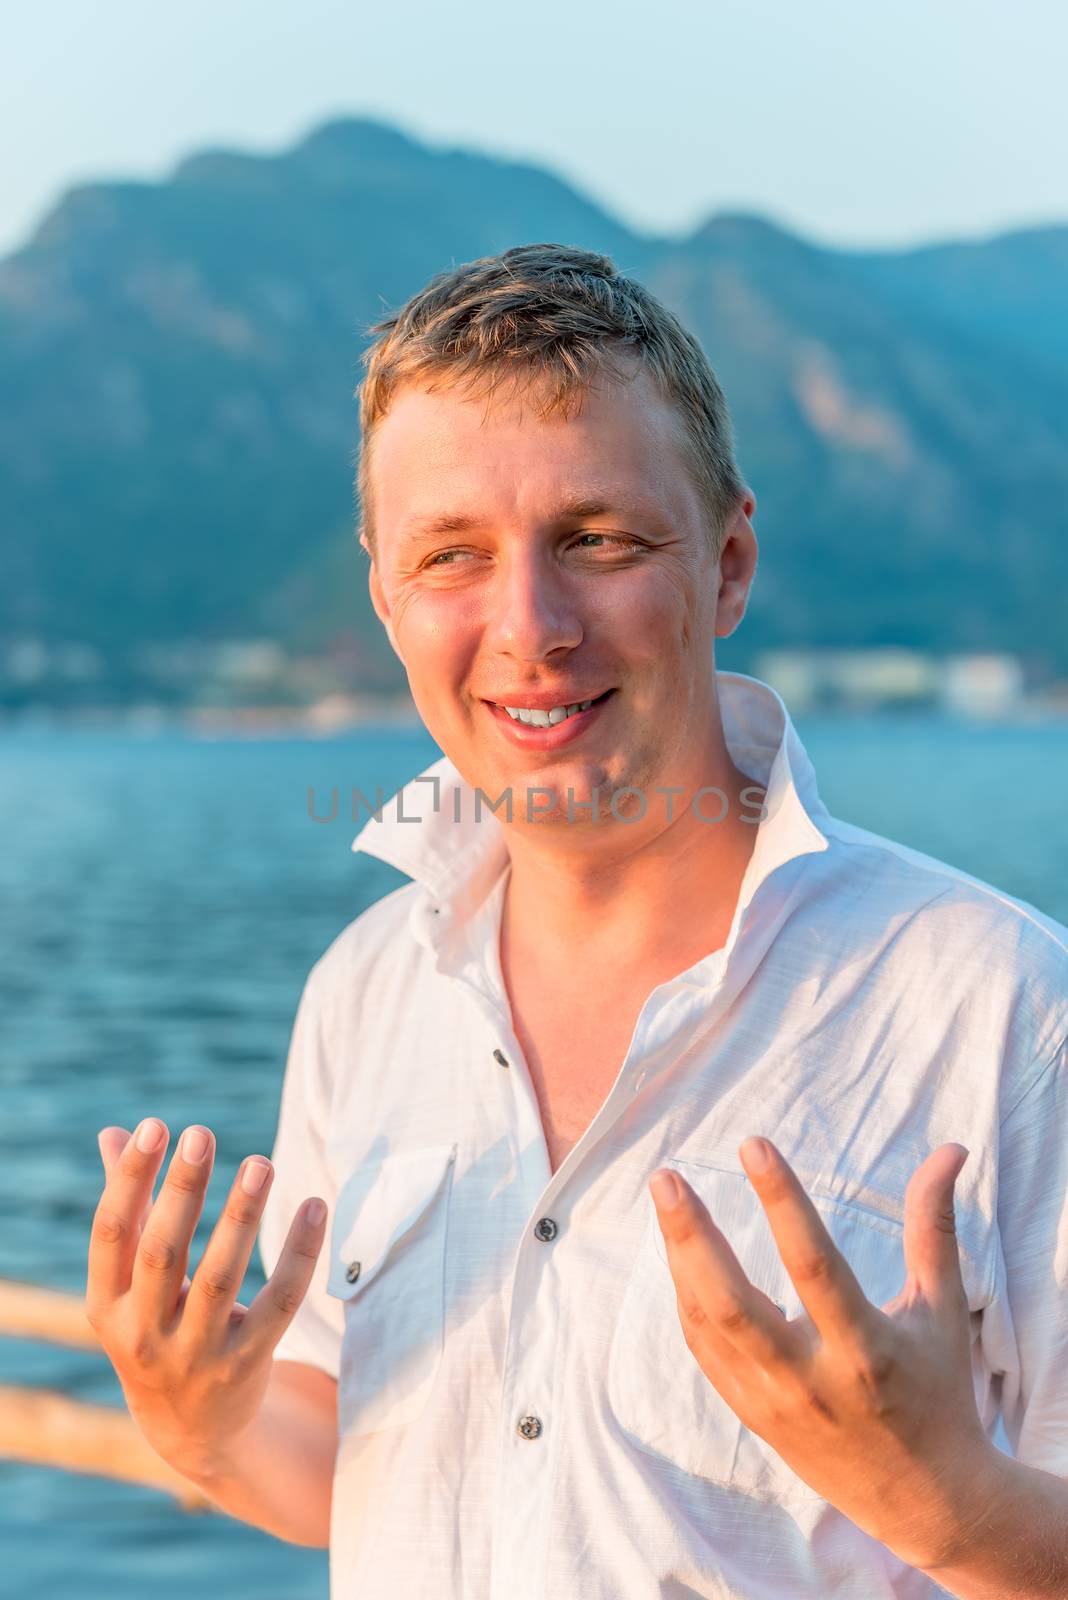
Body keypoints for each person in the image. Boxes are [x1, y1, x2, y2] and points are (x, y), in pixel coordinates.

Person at [88, 244, 1068, 1599]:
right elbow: (336, 1462)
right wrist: (201, 1427)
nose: (532, 626)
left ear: (727, 566)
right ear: (383, 598)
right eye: (453, 557)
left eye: (598, 542)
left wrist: (954, 1511)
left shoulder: (1000, 1004)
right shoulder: (366, 991)